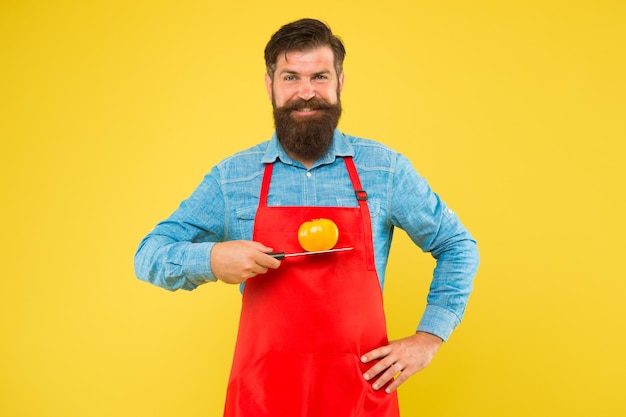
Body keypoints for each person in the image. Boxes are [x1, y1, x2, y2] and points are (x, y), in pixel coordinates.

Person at [135, 18, 479, 417]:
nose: (306, 92)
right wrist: (210, 260)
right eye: (290, 77)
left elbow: (457, 246)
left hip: (359, 395)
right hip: (263, 396)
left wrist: (430, 336)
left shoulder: (383, 170)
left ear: (339, 82)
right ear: (270, 86)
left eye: (319, 76)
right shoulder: (233, 178)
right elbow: (149, 255)